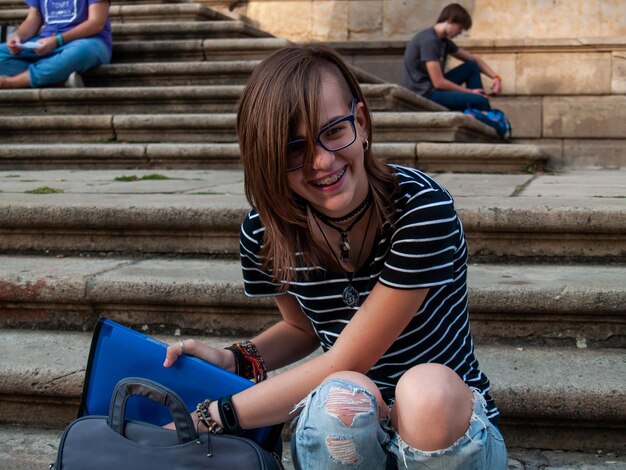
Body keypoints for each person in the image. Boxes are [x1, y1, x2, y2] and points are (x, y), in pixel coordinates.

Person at [163, 44, 508, 469]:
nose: (322, 162)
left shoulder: (420, 208)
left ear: (360, 123)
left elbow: (349, 357)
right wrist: (237, 358)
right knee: (340, 398)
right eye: (294, 148)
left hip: (447, 431)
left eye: (334, 131)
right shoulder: (265, 231)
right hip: (351, 424)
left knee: (423, 389)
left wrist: (207, 417)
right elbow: (302, 327)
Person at [403, 3, 501, 111]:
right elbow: (439, 82)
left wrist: (495, 77)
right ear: (450, 20)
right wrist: (470, 93)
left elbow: (474, 59)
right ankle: (486, 117)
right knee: (480, 100)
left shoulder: (444, 41)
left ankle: (479, 110)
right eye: (460, 27)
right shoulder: (429, 41)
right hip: (425, 93)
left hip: (434, 88)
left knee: (471, 67)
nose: (460, 32)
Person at [0, 0, 111, 88]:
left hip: (87, 41)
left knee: (82, 52)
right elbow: (32, 19)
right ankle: (56, 78)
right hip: (45, 42)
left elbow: (96, 23)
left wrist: (57, 40)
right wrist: (17, 37)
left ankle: (10, 82)